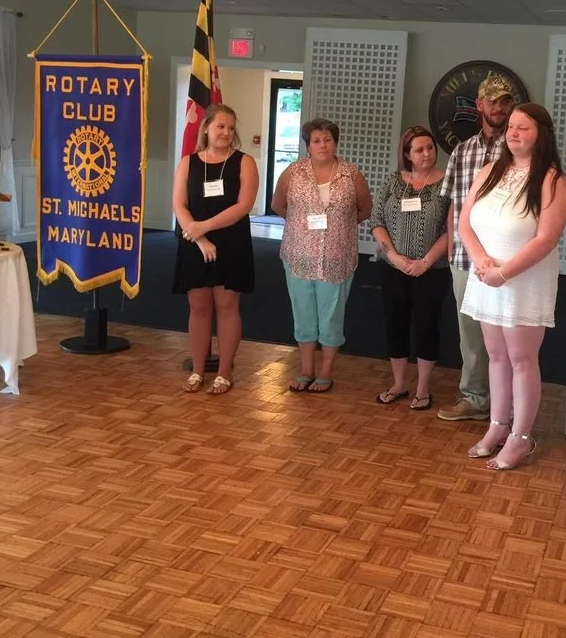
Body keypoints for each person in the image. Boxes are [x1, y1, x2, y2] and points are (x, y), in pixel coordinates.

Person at [459, 103, 566, 470]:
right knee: (496, 357)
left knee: (522, 360)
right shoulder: (491, 169)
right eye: (511, 127)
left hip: (523, 281)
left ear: (541, 134)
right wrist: (479, 259)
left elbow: (546, 239)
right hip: (485, 276)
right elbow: (464, 224)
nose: (514, 133)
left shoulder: (551, 179)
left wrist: (504, 273)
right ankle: (497, 425)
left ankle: (521, 437)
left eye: (523, 127)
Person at [272, 118, 372, 393]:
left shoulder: (350, 174)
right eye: (316, 140)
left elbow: (364, 209)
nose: (323, 145)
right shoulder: (293, 172)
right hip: (298, 256)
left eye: (327, 139)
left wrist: (339, 228)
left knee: (331, 315)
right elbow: (278, 205)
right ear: (307, 145)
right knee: (303, 312)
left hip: (337, 258)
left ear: (335, 142)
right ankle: (306, 369)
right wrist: (301, 226)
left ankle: (326, 370)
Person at [438, 75, 515, 422]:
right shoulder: (462, 151)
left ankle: (506, 405)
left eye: (505, 101)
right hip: (465, 258)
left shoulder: (519, 149)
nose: (498, 107)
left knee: (506, 333)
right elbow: (452, 204)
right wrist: (454, 248)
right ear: (480, 105)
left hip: (505, 260)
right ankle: (475, 397)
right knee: (469, 332)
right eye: (492, 101)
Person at [172, 103, 259, 396]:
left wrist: (203, 227)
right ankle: (198, 370)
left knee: (226, 306)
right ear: (207, 127)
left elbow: (243, 206)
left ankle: (224, 372)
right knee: (198, 307)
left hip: (231, 242)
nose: (226, 132)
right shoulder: (188, 162)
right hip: (195, 241)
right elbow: (179, 206)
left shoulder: (244, 162)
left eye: (231, 128)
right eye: (221, 126)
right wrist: (198, 237)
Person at [370, 125, 450, 411]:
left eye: (430, 148)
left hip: (432, 270)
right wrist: (393, 256)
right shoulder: (393, 181)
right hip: (393, 269)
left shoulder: (446, 183)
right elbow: (376, 220)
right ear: (407, 154)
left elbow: (451, 230)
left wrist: (425, 262)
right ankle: (399, 384)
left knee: (427, 327)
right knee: (395, 325)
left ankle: (423, 388)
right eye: (419, 149)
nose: (427, 154)